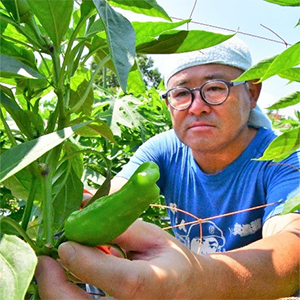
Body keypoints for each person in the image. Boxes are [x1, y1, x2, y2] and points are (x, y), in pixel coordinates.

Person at [35, 37, 300, 299]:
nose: (197, 108)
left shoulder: (281, 158)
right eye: (182, 93)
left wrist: (195, 278)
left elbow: (292, 245)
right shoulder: (165, 150)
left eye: (216, 88)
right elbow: (110, 196)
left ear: (252, 93)